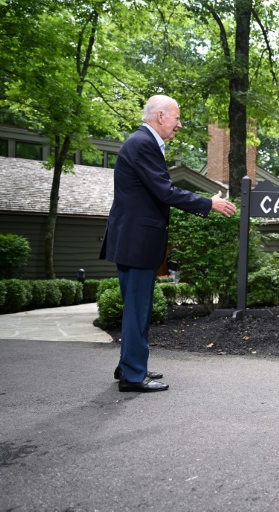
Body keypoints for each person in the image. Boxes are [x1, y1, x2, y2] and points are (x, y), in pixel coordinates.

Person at [100, 95, 236, 392]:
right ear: (160, 116)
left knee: (137, 308)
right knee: (138, 309)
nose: (179, 124)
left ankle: (128, 366)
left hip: (134, 240)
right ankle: (133, 376)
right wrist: (208, 204)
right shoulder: (143, 144)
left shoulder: (139, 142)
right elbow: (165, 191)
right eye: (176, 117)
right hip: (136, 242)